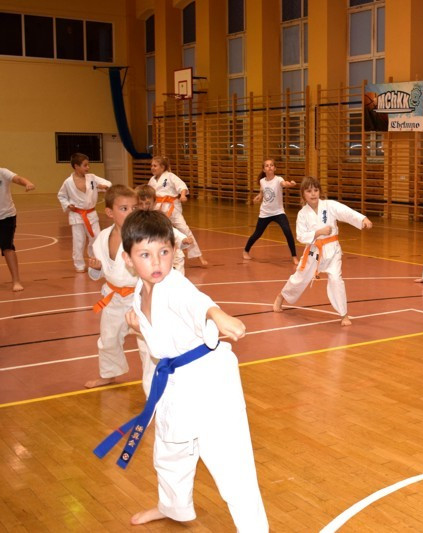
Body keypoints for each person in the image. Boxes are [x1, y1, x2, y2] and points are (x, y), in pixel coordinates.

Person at [96, 209, 268, 529]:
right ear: (128, 259)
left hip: (210, 384)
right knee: (170, 451)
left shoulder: (175, 287)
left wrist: (217, 316)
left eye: (164, 252)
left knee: (230, 461)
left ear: (174, 250)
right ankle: (173, 507)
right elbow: (163, 337)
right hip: (174, 383)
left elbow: (196, 302)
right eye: (145, 255)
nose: (157, 262)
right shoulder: (140, 292)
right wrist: (140, 327)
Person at [273, 176, 372, 326]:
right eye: (309, 191)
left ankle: (343, 314)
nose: (313, 193)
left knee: (336, 279)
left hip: (333, 250)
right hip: (314, 251)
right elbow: (300, 236)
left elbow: (345, 212)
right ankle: (281, 296)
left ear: (320, 191)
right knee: (300, 278)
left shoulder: (329, 205)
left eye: (315, 190)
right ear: (303, 194)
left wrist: (362, 219)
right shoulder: (302, 214)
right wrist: (318, 232)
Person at [85, 185, 154, 390]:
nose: (130, 213)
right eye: (124, 209)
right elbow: (101, 273)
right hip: (113, 297)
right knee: (108, 339)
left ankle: (154, 383)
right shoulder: (102, 237)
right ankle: (109, 374)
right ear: (109, 212)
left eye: (134, 208)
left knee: (147, 342)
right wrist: (96, 269)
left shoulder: (143, 236)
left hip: (139, 297)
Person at [147, 156, 207, 267]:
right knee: (158, 231)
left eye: (155, 166)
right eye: (151, 165)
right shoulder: (152, 180)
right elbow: (148, 193)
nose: (152, 168)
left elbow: (182, 186)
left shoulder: (170, 176)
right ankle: (158, 255)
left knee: (184, 229)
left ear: (162, 167)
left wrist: (183, 195)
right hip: (158, 209)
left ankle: (199, 256)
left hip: (172, 208)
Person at [57, 153, 111, 273]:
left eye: (88, 165)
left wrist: (104, 186)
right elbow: (61, 196)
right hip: (77, 215)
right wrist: (67, 205)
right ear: (76, 166)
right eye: (85, 165)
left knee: (96, 238)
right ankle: (79, 265)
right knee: (79, 241)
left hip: (91, 214)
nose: (88, 168)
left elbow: (108, 183)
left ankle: (95, 261)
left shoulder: (92, 178)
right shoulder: (68, 182)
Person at [243, 158, 299, 264]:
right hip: (265, 213)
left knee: (287, 232)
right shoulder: (262, 181)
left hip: (278, 212)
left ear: (275, 168)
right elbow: (262, 193)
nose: (269, 167)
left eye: (271, 165)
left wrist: (290, 184)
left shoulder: (278, 179)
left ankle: (294, 256)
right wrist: (258, 197)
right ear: (264, 169)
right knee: (257, 234)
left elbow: (284, 184)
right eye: (267, 165)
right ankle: (246, 251)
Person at [135, 184, 192, 274]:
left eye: (148, 203)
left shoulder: (158, 218)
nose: (144, 207)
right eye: (140, 204)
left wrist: (182, 239)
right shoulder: (134, 220)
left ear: (154, 203)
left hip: (163, 253)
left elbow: (170, 230)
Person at [0, 167, 35, 291]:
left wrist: (27, 183)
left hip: (6, 216)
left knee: (7, 247)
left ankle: (16, 281)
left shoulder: (2, 172)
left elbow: (18, 178)